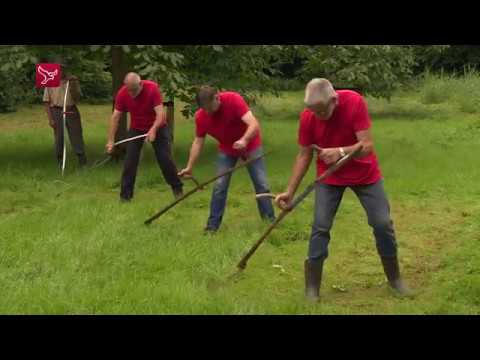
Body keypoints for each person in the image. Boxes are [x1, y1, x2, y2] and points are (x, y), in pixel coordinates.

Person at [275, 78, 411, 300]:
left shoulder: (354, 102)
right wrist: (290, 191)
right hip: (330, 178)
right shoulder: (308, 116)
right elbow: (304, 155)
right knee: (320, 227)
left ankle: (395, 280)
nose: (316, 116)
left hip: (364, 173)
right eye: (312, 111)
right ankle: (312, 289)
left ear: (334, 100)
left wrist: (339, 152)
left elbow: (366, 147)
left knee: (382, 223)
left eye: (320, 111)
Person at [178, 86, 275, 233]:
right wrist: (189, 167)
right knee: (219, 186)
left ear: (217, 97)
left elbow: (254, 124)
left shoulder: (233, 99)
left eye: (210, 108)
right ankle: (212, 227)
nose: (209, 112)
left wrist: (244, 140)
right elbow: (198, 142)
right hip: (227, 149)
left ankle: (269, 222)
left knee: (261, 183)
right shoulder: (201, 117)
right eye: (205, 109)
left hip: (250, 145)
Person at [106, 72, 183, 201]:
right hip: (136, 128)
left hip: (158, 127)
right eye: (129, 90)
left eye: (134, 90)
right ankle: (125, 197)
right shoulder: (123, 93)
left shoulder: (152, 88)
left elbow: (160, 115)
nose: (131, 94)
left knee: (164, 159)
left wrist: (153, 130)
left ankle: (177, 188)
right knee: (130, 161)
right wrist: (110, 140)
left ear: (140, 84)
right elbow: (115, 117)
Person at [43, 64, 87, 167]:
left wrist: (74, 84)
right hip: (57, 110)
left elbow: (77, 98)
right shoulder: (50, 81)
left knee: (76, 135)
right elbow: (46, 101)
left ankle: (82, 162)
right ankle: (59, 161)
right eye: (59, 69)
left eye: (63, 69)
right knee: (59, 137)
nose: (61, 71)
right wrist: (50, 119)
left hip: (71, 109)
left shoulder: (71, 82)